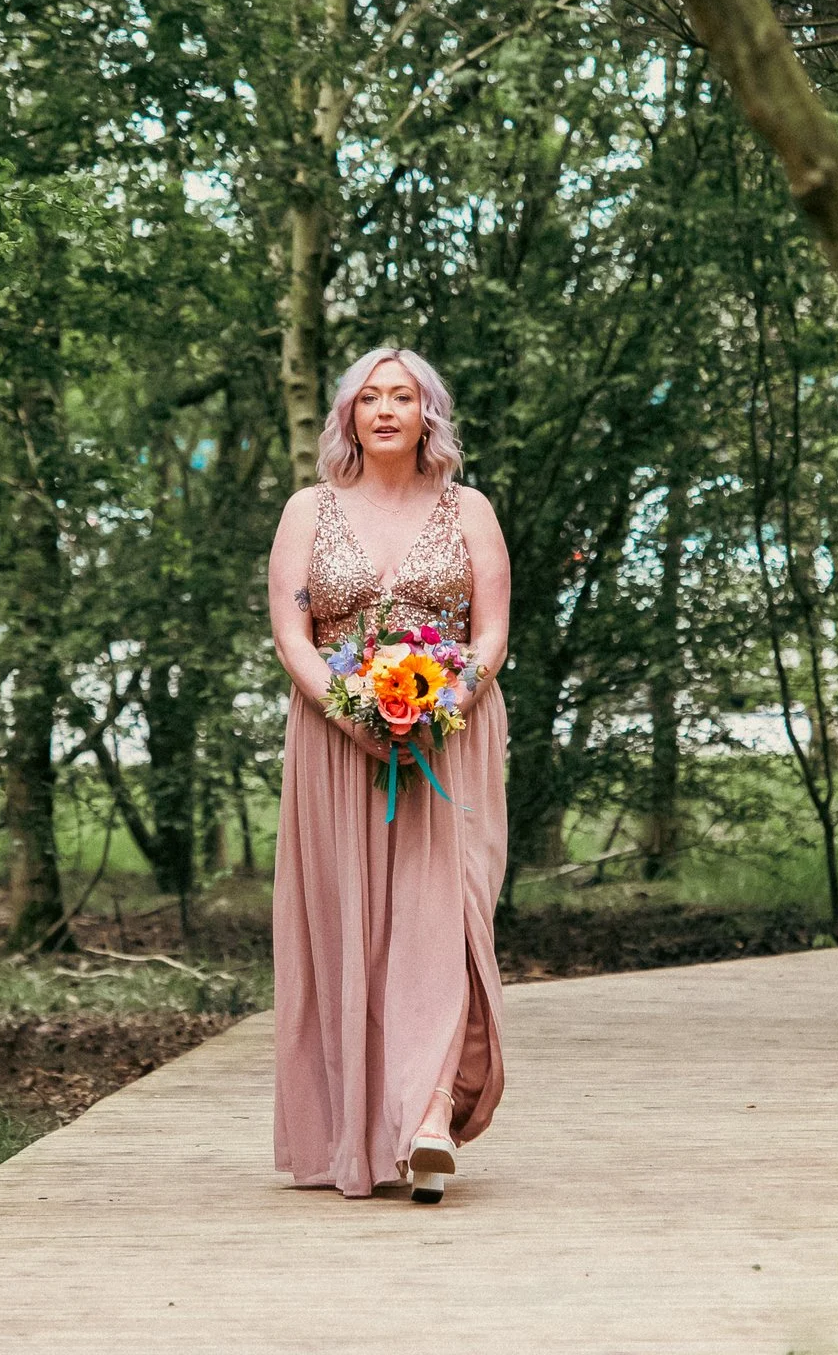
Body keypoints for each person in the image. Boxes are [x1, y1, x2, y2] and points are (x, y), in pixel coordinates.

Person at [265, 346, 512, 1204]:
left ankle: (431, 1118)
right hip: (338, 745)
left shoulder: (468, 509)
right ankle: (365, 1133)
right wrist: (353, 714)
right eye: (367, 397)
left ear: (427, 414)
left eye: (401, 396)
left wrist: (442, 707)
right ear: (346, 418)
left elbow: (491, 636)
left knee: (446, 920)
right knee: (355, 933)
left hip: (452, 740)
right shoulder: (310, 509)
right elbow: (293, 633)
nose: (383, 410)